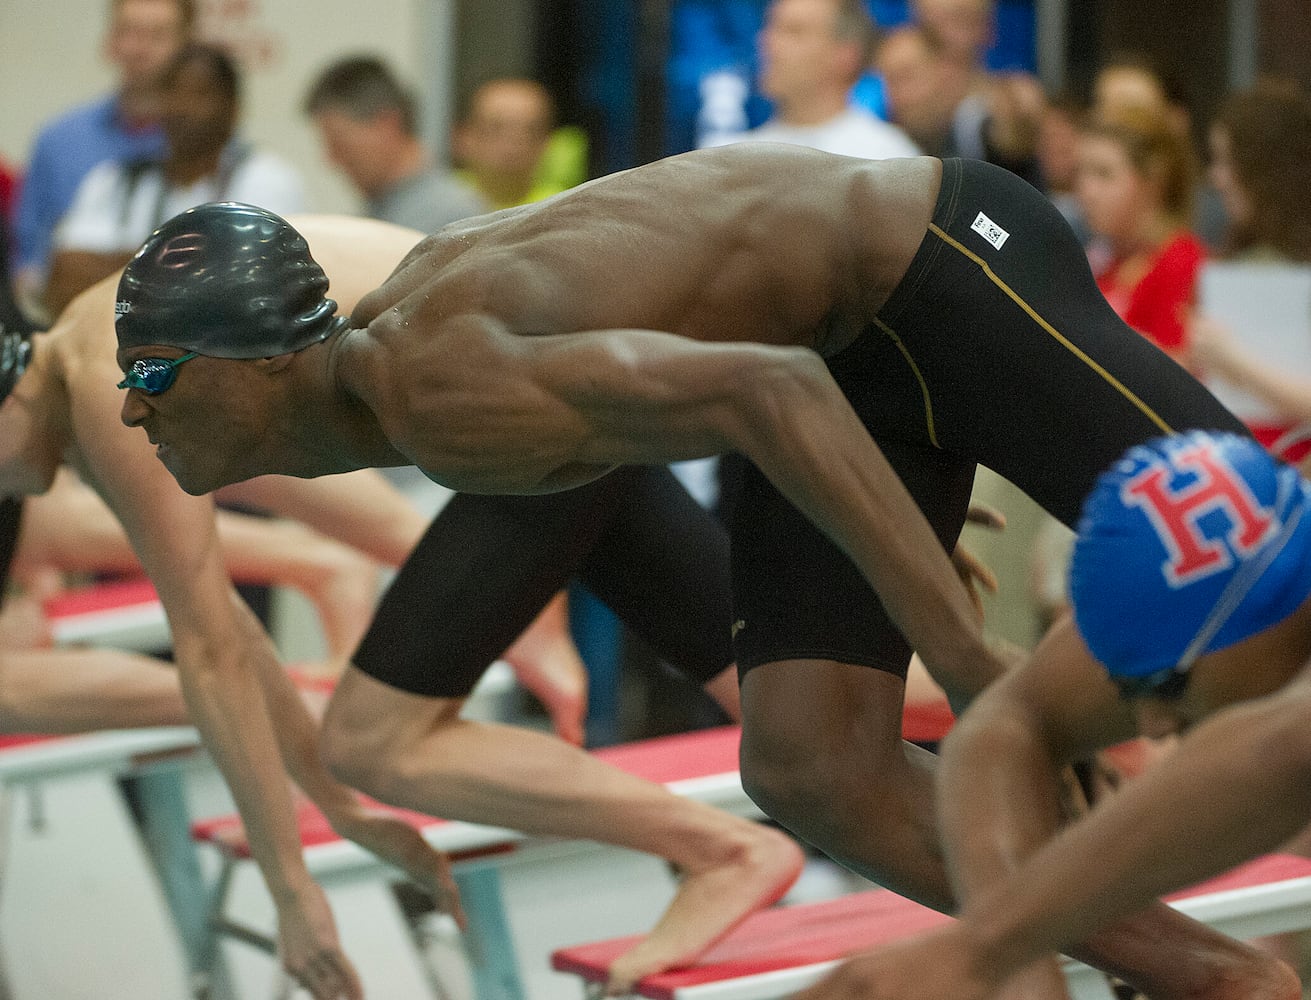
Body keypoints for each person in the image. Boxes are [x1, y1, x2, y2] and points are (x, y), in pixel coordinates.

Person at [116, 144, 1278, 994]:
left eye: (154, 374)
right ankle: (1219, 977)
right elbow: (740, 372)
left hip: (941, 274)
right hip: (833, 357)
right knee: (812, 764)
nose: (130, 405)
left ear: (254, 365)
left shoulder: (434, 388)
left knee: (1280, 591)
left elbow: (767, 392)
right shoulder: (412, 385)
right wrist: (889, 522)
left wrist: (964, 653)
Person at [19, 211, 804, 995]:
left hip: (546, 379)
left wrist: (293, 888)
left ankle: (722, 849)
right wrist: (339, 808)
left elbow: (213, 647)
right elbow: (312, 570)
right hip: (562, 361)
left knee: (376, 743)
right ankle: (869, 777)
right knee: (794, 707)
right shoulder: (113, 353)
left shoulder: (119, 376)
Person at [791, 429, 1311, 1000]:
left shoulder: (1257, 643)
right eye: (1131, 685)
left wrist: (985, 947)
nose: (1154, 722)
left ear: (1271, 599)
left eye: (1166, 683)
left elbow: (1278, 751)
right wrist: (1024, 976)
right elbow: (1009, 722)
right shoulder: (1226, 589)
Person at [43, 41, 305, 317]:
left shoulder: (269, 180)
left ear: (233, 109)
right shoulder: (113, 181)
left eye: (199, 94)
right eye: (171, 91)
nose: (181, 107)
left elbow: (266, 289)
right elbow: (67, 274)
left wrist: (126, 266)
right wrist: (200, 267)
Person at [12, 0, 196, 314]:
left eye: (157, 34)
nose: (140, 48)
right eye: (130, 31)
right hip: (66, 323)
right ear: (110, 40)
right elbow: (28, 262)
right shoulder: (58, 141)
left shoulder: (208, 148)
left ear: (188, 45)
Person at [1077, 106, 1204, 366]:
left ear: (1153, 180)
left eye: (1104, 174)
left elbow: (1180, 370)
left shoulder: (1182, 261)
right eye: (1081, 173)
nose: (1086, 191)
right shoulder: (1099, 258)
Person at [303, 55, 487, 235]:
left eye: (339, 144)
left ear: (387, 124)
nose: (331, 159)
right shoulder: (384, 211)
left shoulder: (450, 219)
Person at [742, 0, 919, 159]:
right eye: (770, 28)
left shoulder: (886, 156)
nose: (768, 42)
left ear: (845, 54)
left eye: (794, 32)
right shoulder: (737, 155)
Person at [452, 78, 564, 210]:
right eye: (495, 129)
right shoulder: (439, 200)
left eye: (530, 131)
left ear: (547, 142)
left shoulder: (564, 207)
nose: (513, 143)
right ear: (465, 136)